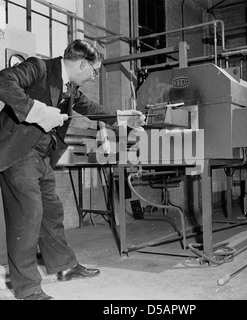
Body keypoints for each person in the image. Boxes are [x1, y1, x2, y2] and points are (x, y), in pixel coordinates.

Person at [0, 39, 145, 300]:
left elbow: (90, 109)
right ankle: (28, 289)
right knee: (28, 216)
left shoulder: (70, 87)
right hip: (18, 154)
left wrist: (123, 118)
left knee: (52, 212)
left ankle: (64, 266)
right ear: (82, 64)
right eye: (95, 70)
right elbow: (3, 81)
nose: (94, 75)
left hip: (41, 156)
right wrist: (33, 110)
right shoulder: (40, 68)